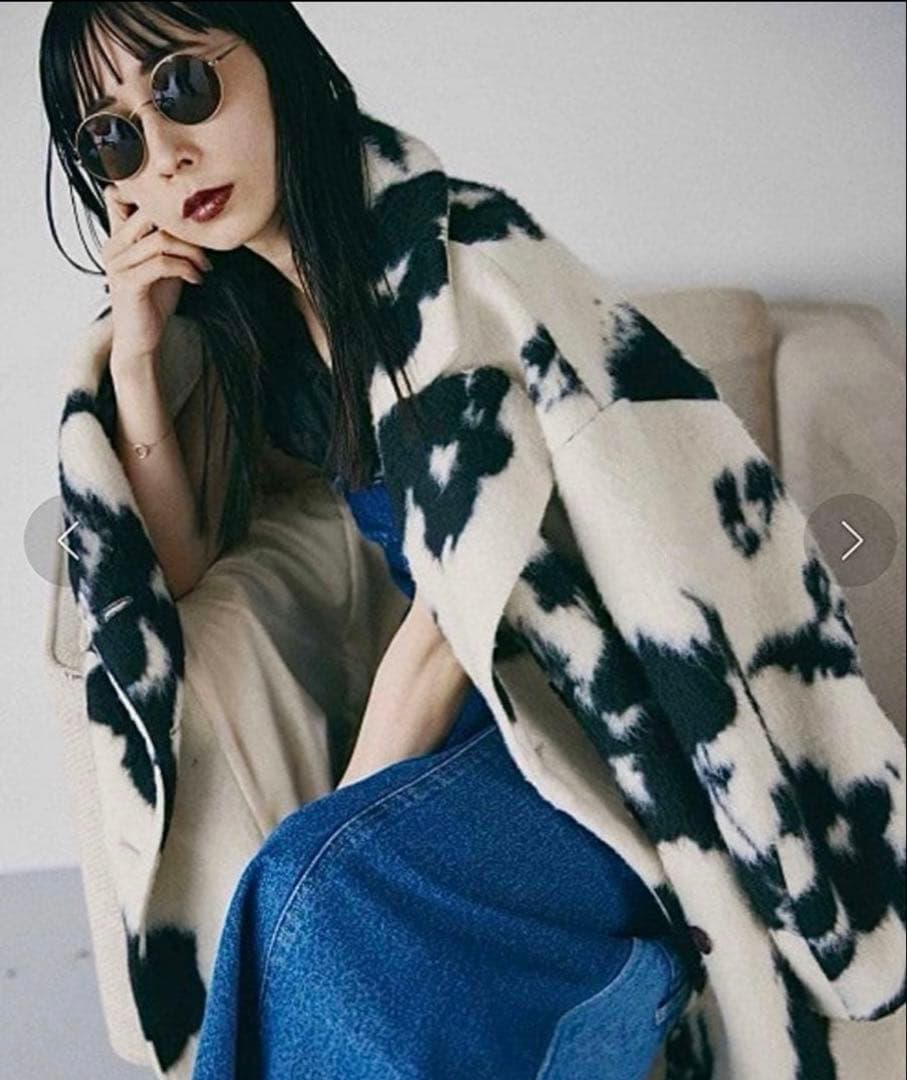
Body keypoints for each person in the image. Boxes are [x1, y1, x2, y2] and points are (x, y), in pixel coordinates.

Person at [40, 3, 692, 1077]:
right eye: (114, 138)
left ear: (275, 58)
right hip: (487, 731)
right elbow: (184, 580)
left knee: (309, 892)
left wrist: (330, 834)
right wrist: (137, 355)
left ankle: (630, 972)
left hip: (608, 737)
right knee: (317, 913)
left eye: (183, 87)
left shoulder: (449, 266)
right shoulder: (269, 317)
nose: (166, 153)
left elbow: (448, 622)